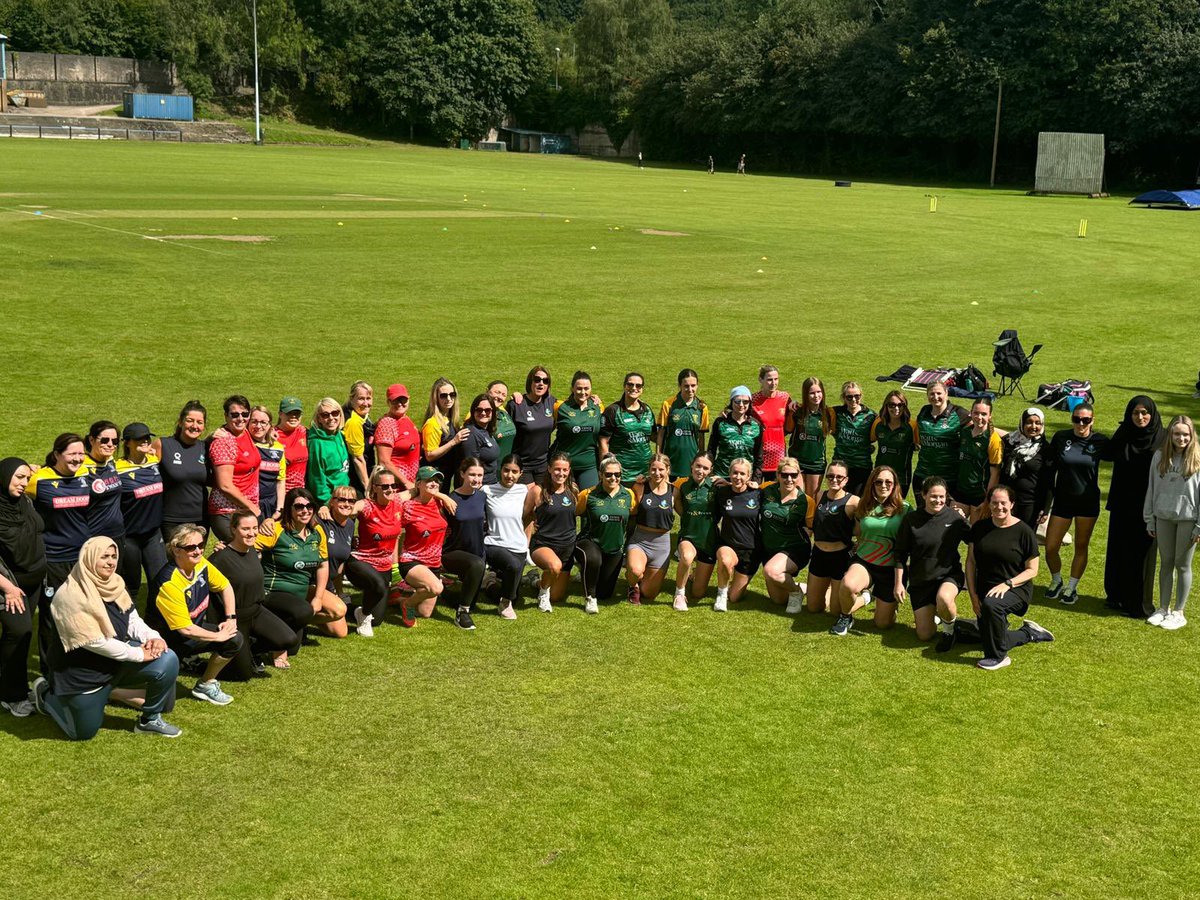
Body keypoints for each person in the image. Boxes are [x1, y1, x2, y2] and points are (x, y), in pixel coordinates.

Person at [36, 537, 181, 739]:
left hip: (115, 664)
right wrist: (137, 654)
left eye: (113, 556)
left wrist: (153, 636)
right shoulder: (69, 596)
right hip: (83, 677)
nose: (111, 562)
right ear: (89, 558)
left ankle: (148, 719)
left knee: (168, 659)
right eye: (104, 557)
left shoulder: (114, 583)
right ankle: (46, 695)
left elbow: (132, 619)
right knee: (82, 734)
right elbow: (93, 641)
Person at [147, 525, 244, 706]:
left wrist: (231, 619)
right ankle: (114, 692)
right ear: (176, 550)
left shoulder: (201, 564)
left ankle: (205, 685)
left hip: (191, 634)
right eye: (191, 547)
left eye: (201, 545)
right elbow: (185, 629)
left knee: (234, 639)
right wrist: (217, 636)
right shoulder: (169, 583)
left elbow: (225, 585)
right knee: (164, 702)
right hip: (167, 643)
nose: (198, 551)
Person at [965, 485, 1054, 670]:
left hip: (1015, 589)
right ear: (989, 504)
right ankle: (1028, 633)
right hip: (985, 591)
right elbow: (971, 563)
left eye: (1003, 503)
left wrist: (1007, 584)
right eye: (994, 503)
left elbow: (1033, 570)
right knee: (990, 636)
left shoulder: (1024, 531)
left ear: (1012, 504)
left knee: (992, 608)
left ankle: (998, 657)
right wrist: (973, 596)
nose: (999, 507)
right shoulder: (979, 528)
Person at [258, 488, 346, 663]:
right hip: (274, 592)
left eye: (309, 506)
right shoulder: (275, 530)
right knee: (288, 641)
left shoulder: (317, 531)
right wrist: (223, 546)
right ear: (289, 509)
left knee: (339, 613)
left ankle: (297, 621)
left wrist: (318, 598)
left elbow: (322, 565)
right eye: (299, 507)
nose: (305, 511)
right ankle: (273, 633)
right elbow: (245, 545)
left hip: (301, 593)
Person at [209, 511, 296, 680]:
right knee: (243, 675)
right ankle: (204, 665)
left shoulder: (252, 550)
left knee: (288, 640)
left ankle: (250, 649)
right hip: (235, 618)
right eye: (246, 529)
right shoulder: (220, 559)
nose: (252, 533)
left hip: (256, 612)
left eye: (255, 528)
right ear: (233, 529)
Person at [830, 465, 912, 636]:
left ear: (895, 485)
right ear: (872, 484)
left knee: (883, 624)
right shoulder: (863, 506)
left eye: (888, 482)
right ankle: (846, 616)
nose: (883, 485)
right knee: (847, 585)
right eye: (879, 482)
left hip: (890, 568)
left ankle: (883, 604)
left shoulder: (905, 509)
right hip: (865, 562)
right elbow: (858, 532)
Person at [1043, 401, 1109, 605]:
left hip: (1087, 504)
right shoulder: (1061, 438)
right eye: (1077, 419)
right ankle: (1056, 580)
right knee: (1051, 546)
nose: (1081, 424)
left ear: (1092, 421)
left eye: (1086, 420)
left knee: (1081, 546)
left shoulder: (1100, 441)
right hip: (1062, 502)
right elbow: (1048, 467)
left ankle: (1071, 587)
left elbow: (1123, 453)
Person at [1103, 395, 1162, 617]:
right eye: (1135, 413)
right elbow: (1107, 453)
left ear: (1152, 414)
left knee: (1142, 557)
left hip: (1148, 507)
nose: (1140, 417)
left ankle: (1138, 604)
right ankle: (1116, 596)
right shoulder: (1124, 433)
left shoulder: (1162, 438)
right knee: (1119, 551)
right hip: (1122, 504)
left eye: (1144, 413)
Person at [894, 477, 970, 646]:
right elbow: (900, 554)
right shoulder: (911, 519)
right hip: (921, 581)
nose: (938, 500)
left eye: (942, 497)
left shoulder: (955, 518)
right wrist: (899, 583)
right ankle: (944, 617)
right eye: (934, 496)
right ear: (924, 495)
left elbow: (974, 539)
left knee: (944, 598)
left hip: (948, 576)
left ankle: (949, 632)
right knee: (924, 635)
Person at [1144, 415, 1200, 630]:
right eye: (1177, 434)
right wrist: (1149, 518)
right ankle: (1163, 608)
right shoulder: (1160, 457)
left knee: (1182, 564)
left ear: (1191, 435)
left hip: (1188, 519)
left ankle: (1179, 611)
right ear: (1170, 435)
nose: (1181, 438)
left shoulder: (1197, 458)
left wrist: (1199, 525)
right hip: (1163, 516)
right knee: (1166, 562)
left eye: (1186, 434)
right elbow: (1151, 488)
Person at [0, 458, 45, 716]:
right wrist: (8, 588)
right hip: (9, 586)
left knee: (18, 635)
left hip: (34, 581)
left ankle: (10, 683)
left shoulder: (24, 502)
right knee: (20, 632)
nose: (23, 483)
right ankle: (12, 696)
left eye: (26, 478)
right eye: (18, 478)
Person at [344, 467, 406, 637]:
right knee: (378, 586)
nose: (391, 490)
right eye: (385, 486)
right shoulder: (366, 505)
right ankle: (363, 615)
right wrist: (326, 508)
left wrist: (443, 495)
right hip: (361, 561)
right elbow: (344, 509)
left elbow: (419, 488)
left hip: (384, 566)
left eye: (393, 486)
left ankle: (354, 610)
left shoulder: (398, 502)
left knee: (377, 620)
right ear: (375, 488)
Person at [27, 433, 91, 589]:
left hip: (83, 553)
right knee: (54, 608)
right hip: (53, 557)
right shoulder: (38, 479)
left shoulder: (85, 472)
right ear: (57, 454)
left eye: (81, 454)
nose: (77, 459)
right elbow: (9, 484)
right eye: (72, 454)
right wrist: (25, 468)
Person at [574, 457, 635, 613]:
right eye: (608, 474)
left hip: (614, 548)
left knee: (605, 594)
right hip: (590, 541)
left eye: (617, 474)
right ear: (600, 475)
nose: (613, 478)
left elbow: (634, 515)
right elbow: (571, 514)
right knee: (593, 559)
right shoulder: (588, 494)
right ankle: (590, 598)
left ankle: (586, 575)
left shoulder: (629, 495)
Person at [115, 422, 168, 598]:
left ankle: (156, 622)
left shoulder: (154, 461)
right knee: (131, 584)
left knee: (160, 581)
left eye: (147, 437)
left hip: (153, 534)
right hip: (129, 536)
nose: (145, 441)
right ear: (127, 443)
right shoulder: (116, 468)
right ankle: (127, 623)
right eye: (139, 439)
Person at [394, 466, 453, 622]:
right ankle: (407, 604)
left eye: (436, 480)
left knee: (425, 613)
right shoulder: (408, 506)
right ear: (418, 484)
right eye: (429, 480)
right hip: (412, 560)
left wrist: (441, 496)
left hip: (434, 563)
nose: (434, 483)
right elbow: (392, 501)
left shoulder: (439, 504)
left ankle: (397, 600)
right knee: (436, 588)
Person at [805, 460, 859, 616]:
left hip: (840, 557)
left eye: (839, 477)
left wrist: (859, 544)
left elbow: (863, 528)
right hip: (819, 555)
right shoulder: (819, 495)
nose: (834, 480)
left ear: (846, 480)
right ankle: (829, 588)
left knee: (836, 611)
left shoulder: (854, 501)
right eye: (830, 476)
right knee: (814, 608)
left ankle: (864, 599)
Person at [760, 457, 813, 614]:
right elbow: (744, 488)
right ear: (777, 475)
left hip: (794, 548)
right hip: (770, 549)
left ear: (799, 476)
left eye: (794, 475)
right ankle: (801, 588)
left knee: (771, 571)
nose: (789, 479)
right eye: (784, 475)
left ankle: (796, 594)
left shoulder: (806, 501)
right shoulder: (766, 489)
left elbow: (810, 528)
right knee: (778, 600)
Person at [441, 457, 488, 630]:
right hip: (453, 552)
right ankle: (462, 613)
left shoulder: (483, 497)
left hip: (477, 552)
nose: (476, 479)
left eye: (480, 475)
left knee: (471, 598)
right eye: (472, 475)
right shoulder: (451, 499)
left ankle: (444, 591)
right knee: (476, 565)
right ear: (462, 474)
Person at [207, 395, 261, 543]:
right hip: (227, 513)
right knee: (238, 557)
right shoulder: (224, 441)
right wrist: (253, 507)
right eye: (234, 415)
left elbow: (263, 427)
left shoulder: (246, 433)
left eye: (244, 414)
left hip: (244, 510)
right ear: (226, 416)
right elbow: (225, 485)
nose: (240, 419)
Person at [528, 452, 577, 613]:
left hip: (567, 547)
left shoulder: (573, 490)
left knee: (556, 596)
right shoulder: (537, 491)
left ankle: (534, 580)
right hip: (543, 544)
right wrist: (525, 541)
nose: (560, 473)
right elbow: (524, 516)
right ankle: (542, 593)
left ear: (569, 471)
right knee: (554, 567)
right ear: (549, 469)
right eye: (557, 469)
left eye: (564, 470)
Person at [625, 453, 676, 605]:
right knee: (635, 571)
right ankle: (633, 585)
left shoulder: (675, 492)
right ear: (649, 470)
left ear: (668, 470)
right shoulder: (640, 487)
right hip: (640, 540)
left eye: (661, 469)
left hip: (662, 546)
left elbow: (687, 512)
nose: (657, 473)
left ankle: (643, 578)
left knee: (648, 594)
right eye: (653, 469)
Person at [154, 400, 208, 541]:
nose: (194, 426)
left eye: (199, 422)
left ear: (204, 426)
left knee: (196, 559)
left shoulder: (206, 447)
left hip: (201, 519)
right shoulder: (163, 444)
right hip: (171, 519)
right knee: (174, 561)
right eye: (190, 421)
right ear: (180, 422)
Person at [483, 456, 530, 619]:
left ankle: (489, 583)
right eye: (506, 470)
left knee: (513, 596)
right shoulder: (487, 491)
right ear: (500, 470)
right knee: (514, 566)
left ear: (520, 474)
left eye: (514, 472)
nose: (510, 475)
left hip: (518, 546)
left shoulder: (524, 490)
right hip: (494, 544)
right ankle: (504, 605)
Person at [672, 452, 717, 611]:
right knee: (687, 557)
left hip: (709, 540)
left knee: (698, 593)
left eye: (705, 468)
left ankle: (693, 575)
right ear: (691, 465)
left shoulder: (716, 486)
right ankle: (679, 593)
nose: (700, 470)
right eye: (698, 466)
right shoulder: (682, 485)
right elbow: (676, 501)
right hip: (688, 536)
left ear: (711, 470)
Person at [913, 382, 969, 502]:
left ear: (946, 394)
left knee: (946, 518)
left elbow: (981, 427)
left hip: (948, 479)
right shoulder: (924, 412)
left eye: (939, 393)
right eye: (931, 394)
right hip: (922, 476)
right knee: (923, 516)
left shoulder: (959, 413)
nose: (935, 397)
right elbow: (917, 434)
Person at [999, 408, 1052, 529]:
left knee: (1023, 540)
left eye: (1038, 423)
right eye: (1029, 422)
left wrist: (1045, 509)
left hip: (1030, 504)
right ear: (1022, 424)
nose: (1033, 426)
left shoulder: (1046, 449)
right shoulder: (1010, 441)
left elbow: (1049, 481)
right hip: (1005, 501)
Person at [600, 372, 655, 487]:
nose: (634, 388)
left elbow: (655, 436)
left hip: (646, 473)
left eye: (638, 386)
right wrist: (607, 469)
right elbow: (603, 442)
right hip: (622, 475)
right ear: (624, 386)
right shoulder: (613, 411)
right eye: (630, 385)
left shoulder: (647, 410)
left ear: (642, 389)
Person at [954, 397, 1003, 520]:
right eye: (976, 413)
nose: (979, 417)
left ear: (990, 416)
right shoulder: (965, 433)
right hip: (960, 491)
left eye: (984, 414)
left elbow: (995, 474)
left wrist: (988, 500)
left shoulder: (993, 440)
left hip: (979, 496)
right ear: (971, 413)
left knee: (975, 536)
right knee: (950, 531)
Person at [552, 371, 603, 489]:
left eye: (586, 388)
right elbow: (546, 432)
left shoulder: (598, 407)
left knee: (588, 501)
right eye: (579, 388)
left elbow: (602, 437)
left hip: (589, 465)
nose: (583, 392)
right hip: (564, 465)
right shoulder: (560, 407)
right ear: (572, 389)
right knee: (563, 502)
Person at [658, 369, 709, 481]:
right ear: (679, 385)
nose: (690, 389)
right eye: (686, 386)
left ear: (697, 385)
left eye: (693, 385)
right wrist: (658, 456)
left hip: (690, 463)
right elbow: (661, 433)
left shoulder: (702, 408)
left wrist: (701, 459)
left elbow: (701, 437)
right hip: (670, 461)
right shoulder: (668, 404)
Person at [80, 420, 126, 544]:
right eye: (105, 440)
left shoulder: (111, 461)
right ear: (91, 440)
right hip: (93, 537)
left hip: (118, 534)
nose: (110, 444)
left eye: (115, 441)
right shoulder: (80, 466)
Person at [508, 366, 556, 483]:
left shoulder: (551, 402)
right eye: (537, 379)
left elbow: (572, 404)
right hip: (522, 465)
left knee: (542, 498)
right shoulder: (516, 405)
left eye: (545, 381)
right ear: (530, 381)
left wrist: (592, 398)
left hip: (543, 464)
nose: (541, 384)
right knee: (530, 497)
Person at [786, 377, 831, 497]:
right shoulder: (798, 411)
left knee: (811, 499)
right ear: (805, 394)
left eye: (819, 392)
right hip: (797, 461)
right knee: (797, 496)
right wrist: (790, 410)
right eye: (812, 393)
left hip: (816, 463)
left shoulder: (828, 413)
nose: (816, 396)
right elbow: (788, 429)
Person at [829, 382, 875, 496]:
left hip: (861, 466)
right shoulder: (835, 412)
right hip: (840, 465)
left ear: (861, 395)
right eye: (849, 397)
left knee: (857, 501)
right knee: (838, 498)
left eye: (857, 396)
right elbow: (814, 409)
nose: (853, 399)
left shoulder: (871, 416)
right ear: (843, 397)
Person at [709, 386, 763, 480]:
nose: (741, 405)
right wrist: (710, 472)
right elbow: (711, 450)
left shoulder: (756, 425)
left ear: (750, 403)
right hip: (722, 476)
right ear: (731, 401)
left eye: (745, 402)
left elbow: (759, 456)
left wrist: (756, 480)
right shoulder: (720, 422)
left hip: (745, 478)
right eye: (737, 401)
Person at [373, 383, 421, 490]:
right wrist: (406, 483)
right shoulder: (387, 424)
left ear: (409, 400)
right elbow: (384, 462)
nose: (400, 404)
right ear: (388, 402)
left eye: (403, 400)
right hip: (395, 488)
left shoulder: (405, 418)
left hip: (411, 485)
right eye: (395, 400)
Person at [871, 390, 917, 498]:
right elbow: (869, 441)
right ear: (886, 406)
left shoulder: (912, 425)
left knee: (897, 508)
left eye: (900, 405)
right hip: (880, 474)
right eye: (892, 405)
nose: (896, 409)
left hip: (901, 477)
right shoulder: (878, 423)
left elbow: (921, 444)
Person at [306, 397, 351, 505]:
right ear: (319, 419)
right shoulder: (316, 443)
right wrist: (327, 503)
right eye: (325, 415)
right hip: (330, 503)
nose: (331, 418)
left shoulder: (339, 435)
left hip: (345, 498)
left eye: (335, 413)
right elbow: (316, 478)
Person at [422, 378, 468, 483]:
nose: (448, 399)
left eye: (452, 394)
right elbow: (430, 455)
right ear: (435, 398)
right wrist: (454, 441)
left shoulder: (450, 419)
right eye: (443, 396)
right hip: (434, 478)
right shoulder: (432, 423)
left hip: (445, 475)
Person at [752, 365, 790, 483]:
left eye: (776, 379)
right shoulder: (752, 400)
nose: (773, 383)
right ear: (760, 380)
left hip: (778, 458)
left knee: (774, 495)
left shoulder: (785, 398)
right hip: (758, 457)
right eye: (769, 379)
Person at [248, 405, 286, 522]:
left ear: (270, 425)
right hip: (249, 504)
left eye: (263, 422)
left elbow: (280, 480)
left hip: (271, 504)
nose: (258, 426)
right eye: (254, 422)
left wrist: (279, 508)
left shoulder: (278, 448)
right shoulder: (244, 443)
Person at [320, 484, 358, 593]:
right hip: (314, 583)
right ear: (332, 501)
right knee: (339, 610)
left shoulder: (350, 525)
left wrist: (340, 592)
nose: (347, 504)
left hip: (330, 585)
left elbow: (339, 563)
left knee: (347, 608)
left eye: (351, 501)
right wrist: (323, 507)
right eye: (342, 500)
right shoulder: (322, 520)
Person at [342, 381, 375, 495]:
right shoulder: (353, 422)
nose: (366, 403)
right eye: (361, 398)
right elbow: (358, 459)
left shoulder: (361, 416)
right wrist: (367, 488)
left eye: (368, 398)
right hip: (355, 481)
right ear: (352, 399)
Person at [461, 394, 501, 484]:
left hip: (491, 484)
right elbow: (471, 469)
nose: (483, 413)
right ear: (473, 411)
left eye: (487, 410)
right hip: (480, 486)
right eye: (479, 410)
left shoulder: (486, 430)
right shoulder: (471, 434)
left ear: (493, 412)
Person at [276, 397, 309, 493]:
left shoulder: (304, 431)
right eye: (289, 413)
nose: (293, 417)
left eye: (297, 413)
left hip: (301, 492)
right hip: (281, 492)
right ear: (280, 414)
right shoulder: (273, 436)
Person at [488, 381, 518, 460]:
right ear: (487, 391)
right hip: (490, 469)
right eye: (497, 392)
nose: (500, 397)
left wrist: (517, 394)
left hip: (506, 468)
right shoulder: (478, 415)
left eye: (503, 395)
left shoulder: (502, 411)